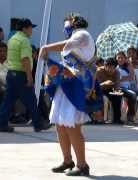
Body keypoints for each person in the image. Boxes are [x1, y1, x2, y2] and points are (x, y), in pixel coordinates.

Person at [39, 14, 102, 176]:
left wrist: (46, 47)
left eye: (67, 25)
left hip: (78, 86)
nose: (65, 28)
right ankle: (67, 160)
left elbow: (68, 44)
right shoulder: (75, 37)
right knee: (60, 126)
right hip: (67, 85)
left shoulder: (82, 34)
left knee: (72, 126)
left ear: (74, 24)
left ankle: (82, 165)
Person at [0, 18, 50, 133]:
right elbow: (25, 59)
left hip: (11, 73)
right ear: (24, 28)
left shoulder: (12, 39)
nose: (31, 30)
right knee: (31, 100)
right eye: (30, 28)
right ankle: (38, 124)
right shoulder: (24, 40)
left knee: (8, 101)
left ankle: (1, 124)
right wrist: (29, 77)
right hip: (21, 74)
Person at [96, 58, 122, 124]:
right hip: (100, 90)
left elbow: (117, 85)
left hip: (111, 90)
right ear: (105, 66)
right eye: (108, 67)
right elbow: (95, 87)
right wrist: (105, 83)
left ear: (115, 68)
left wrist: (117, 90)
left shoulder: (117, 72)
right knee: (102, 98)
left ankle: (117, 119)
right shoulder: (99, 71)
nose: (110, 70)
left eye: (112, 68)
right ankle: (100, 118)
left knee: (118, 97)